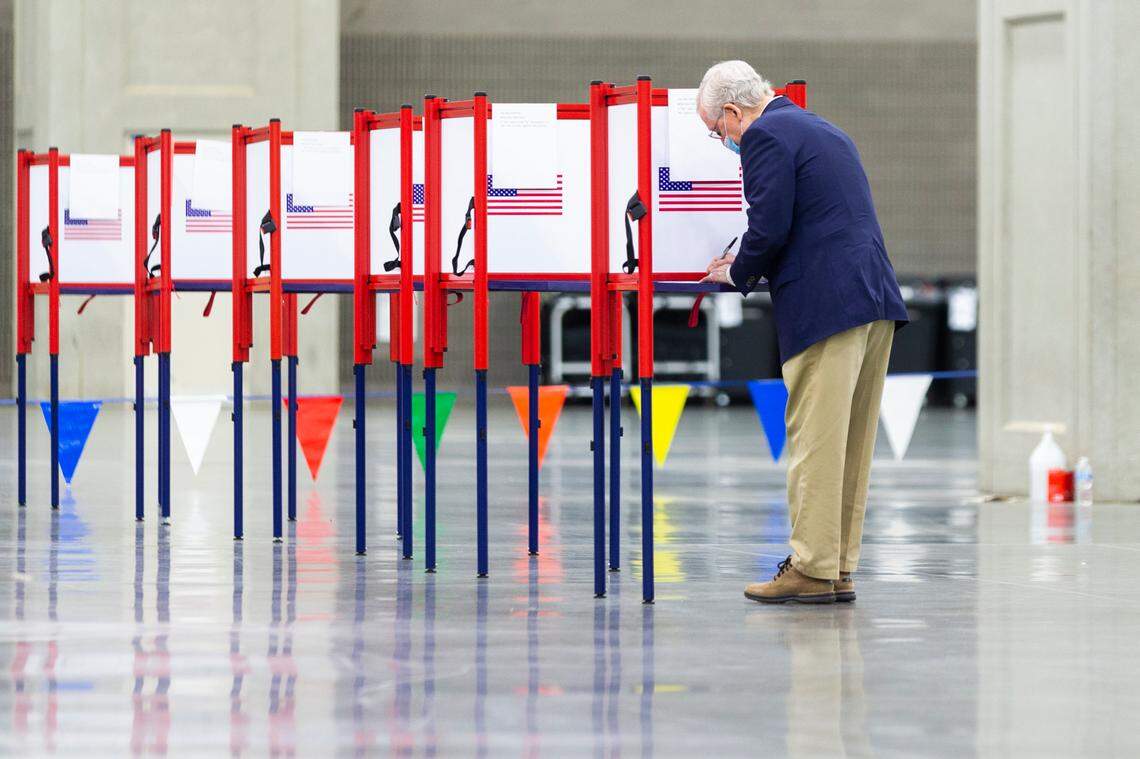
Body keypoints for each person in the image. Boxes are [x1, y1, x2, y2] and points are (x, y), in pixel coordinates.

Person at [697, 60, 908, 604]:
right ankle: (836, 566)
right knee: (851, 443)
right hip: (874, 297)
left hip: (826, 304)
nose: (726, 142)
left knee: (815, 439)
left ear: (733, 112)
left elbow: (770, 226)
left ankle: (811, 570)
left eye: (719, 132)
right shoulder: (822, 127)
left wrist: (737, 270)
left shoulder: (765, 134)